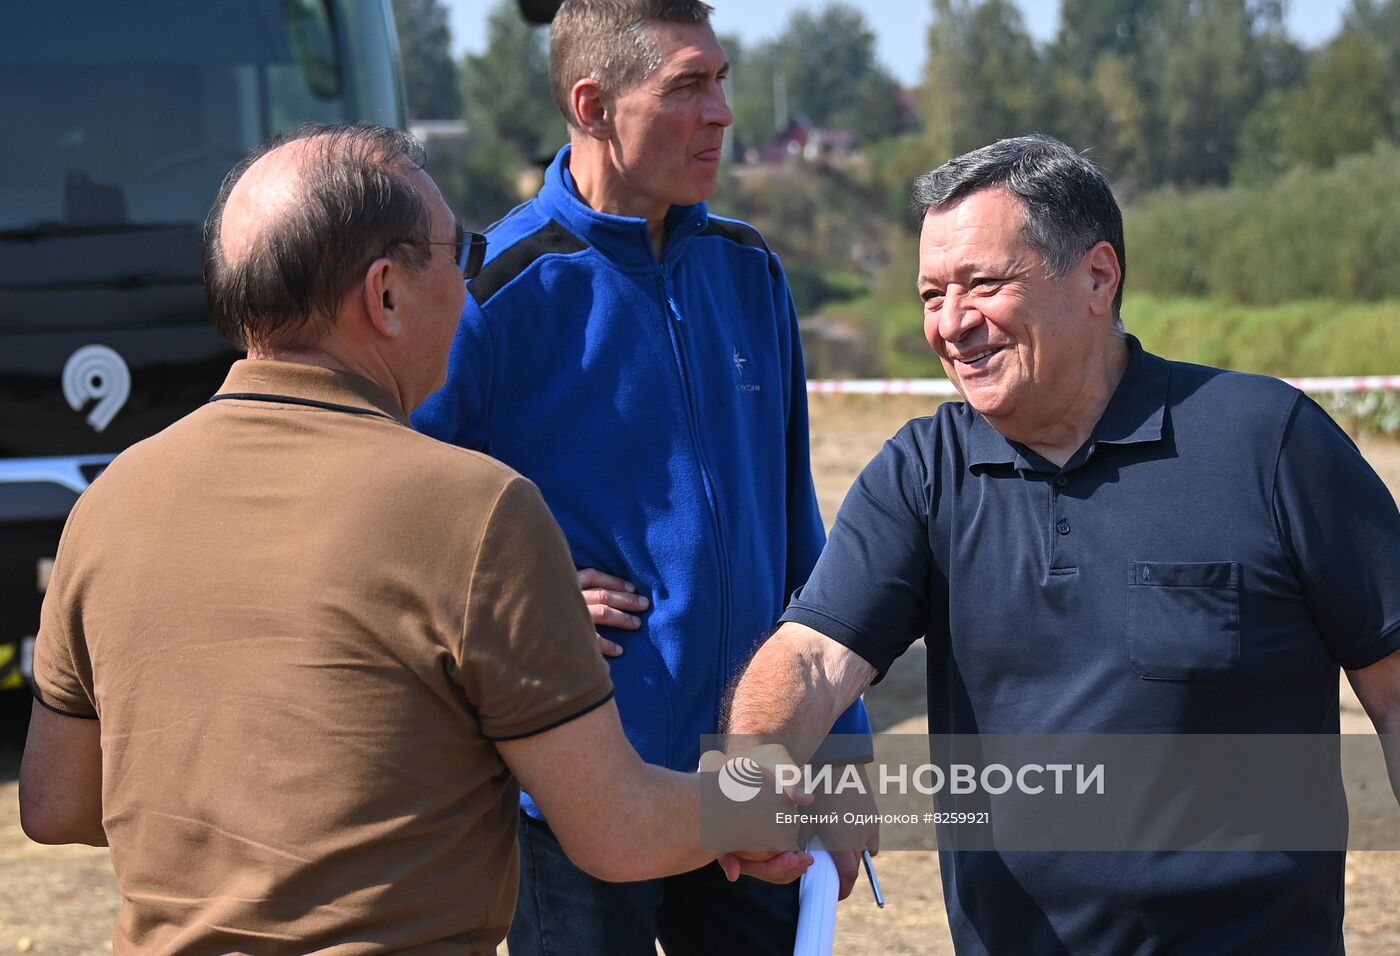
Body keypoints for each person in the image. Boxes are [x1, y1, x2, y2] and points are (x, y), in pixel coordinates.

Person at [17, 123, 810, 956]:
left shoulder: (109, 505)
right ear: (386, 294)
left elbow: (55, 805)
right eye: (459, 258)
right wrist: (763, 802)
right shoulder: (478, 512)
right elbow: (614, 827)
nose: (471, 294)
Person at [723, 134, 1400, 953]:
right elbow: (813, 658)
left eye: (983, 285)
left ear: (1098, 278)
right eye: (931, 295)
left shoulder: (1269, 442)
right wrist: (747, 783)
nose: (951, 325)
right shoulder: (924, 471)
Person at [412, 1, 870, 951]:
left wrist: (845, 759)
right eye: (688, 87)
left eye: (722, 80)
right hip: (574, 796)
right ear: (593, 104)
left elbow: (800, 535)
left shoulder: (752, 271)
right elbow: (398, 524)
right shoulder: (492, 292)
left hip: (751, 781)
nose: (722, 114)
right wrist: (519, 608)